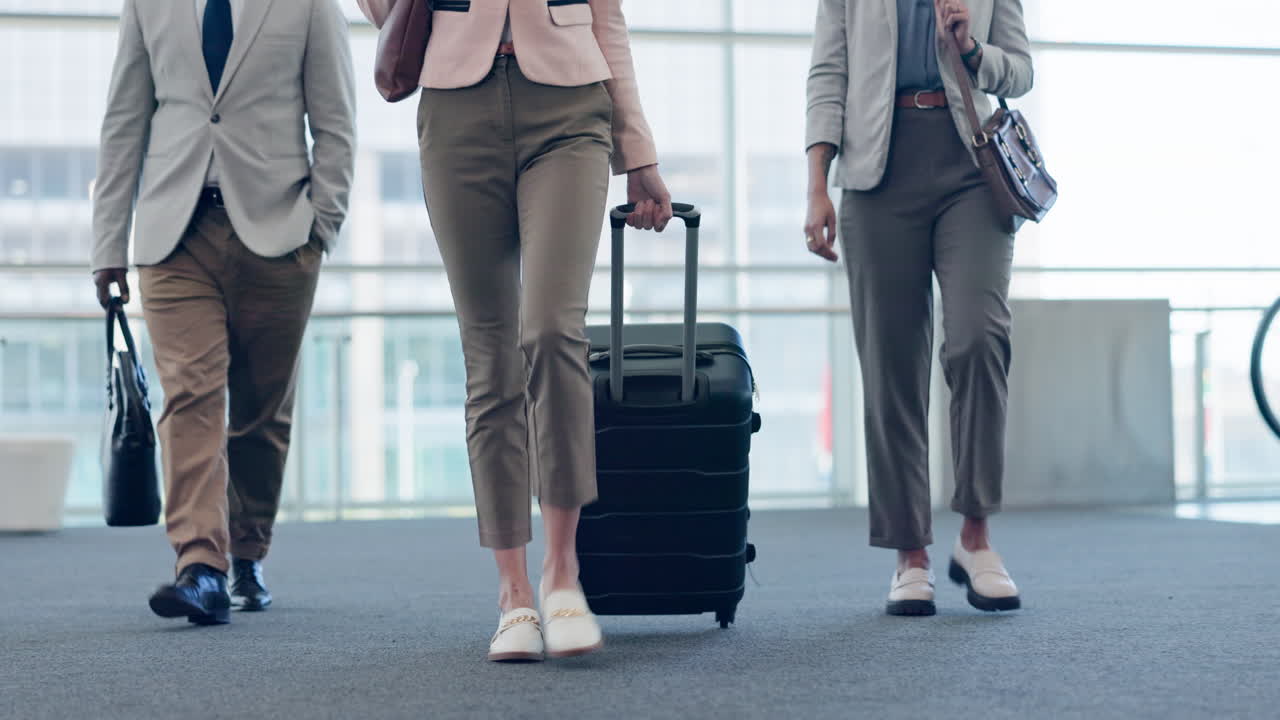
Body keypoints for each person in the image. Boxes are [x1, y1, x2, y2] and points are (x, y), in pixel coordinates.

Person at [355, 0, 672, 661]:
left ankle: (562, 575)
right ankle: (513, 594)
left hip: (569, 106)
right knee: (490, 357)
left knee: (553, 329)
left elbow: (607, 18)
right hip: (454, 108)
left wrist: (638, 150)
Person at [91, 0, 356, 625]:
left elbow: (337, 123)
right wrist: (108, 245)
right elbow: (123, 122)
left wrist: (321, 227)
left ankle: (248, 550)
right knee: (190, 396)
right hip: (173, 236)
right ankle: (199, 565)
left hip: (279, 233)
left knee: (261, 411)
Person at [804, 0, 1032, 616]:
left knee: (978, 339)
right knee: (892, 365)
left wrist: (973, 51)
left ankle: (977, 537)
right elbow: (829, 74)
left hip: (971, 167)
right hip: (877, 173)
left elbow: (1021, 71)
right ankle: (910, 554)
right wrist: (816, 185)